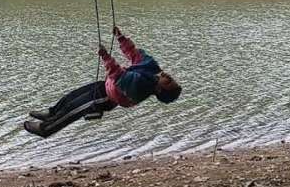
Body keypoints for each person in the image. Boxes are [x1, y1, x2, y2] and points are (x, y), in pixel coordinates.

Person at [24, 27, 182, 138]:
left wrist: (106, 56)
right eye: (172, 78)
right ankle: (51, 113)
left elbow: (118, 75)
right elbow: (135, 54)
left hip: (106, 98)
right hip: (104, 86)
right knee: (71, 97)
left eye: (168, 82)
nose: (168, 76)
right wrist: (121, 38)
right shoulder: (152, 68)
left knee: (74, 109)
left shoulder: (142, 87)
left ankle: (45, 129)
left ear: (160, 90)